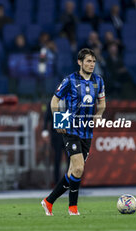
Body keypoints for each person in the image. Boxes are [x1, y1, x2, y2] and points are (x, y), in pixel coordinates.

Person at [41, 48, 106, 216]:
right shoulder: (69, 80)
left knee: (75, 171)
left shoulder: (98, 81)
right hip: (71, 129)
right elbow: (55, 100)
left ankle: (48, 202)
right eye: (88, 61)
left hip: (87, 132)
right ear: (80, 62)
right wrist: (58, 120)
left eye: (93, 61)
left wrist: (98, 115)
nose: (91, 64)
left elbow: (102, 104)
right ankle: (73, 209)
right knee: (78, 167)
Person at [42, 103, 65, 184]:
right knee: (57, 158)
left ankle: (71, 181)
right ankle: (57, 182)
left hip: (68, 134)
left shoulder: (71, 99)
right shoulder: (53, 102)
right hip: (56, 135)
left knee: (72, 158)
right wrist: (44, 130)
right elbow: (47, 117)